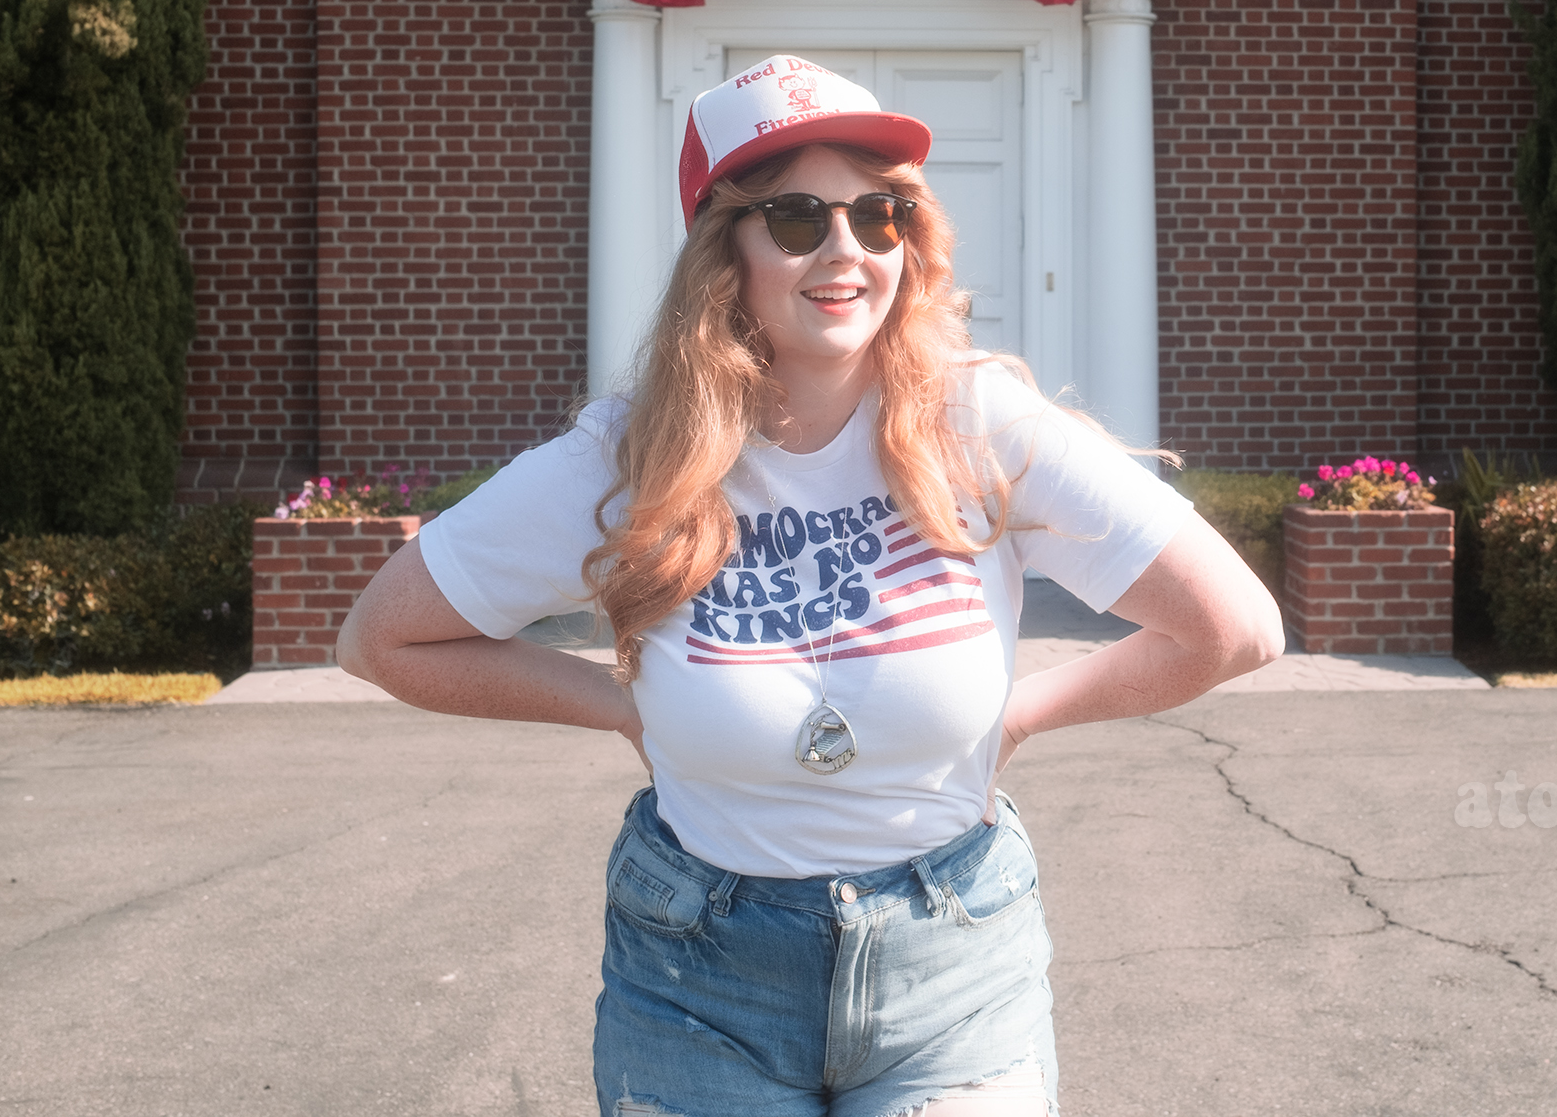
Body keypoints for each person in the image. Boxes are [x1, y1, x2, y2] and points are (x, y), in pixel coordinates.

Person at [337, 57, 1284, 1117]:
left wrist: (1019, 717)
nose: (845, 250)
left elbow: (1234, 627)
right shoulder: (628, 454)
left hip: (954, 965)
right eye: (796, 219)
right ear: (723, 252)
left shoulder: (982, 425)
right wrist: (616, 705)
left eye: (878, 217)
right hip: (699, 975)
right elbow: (384, 639)